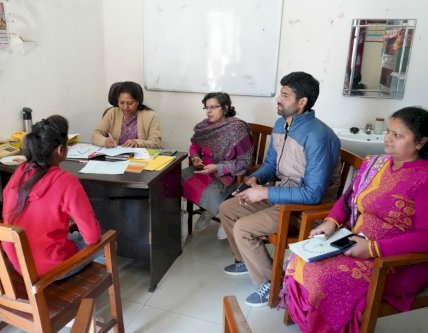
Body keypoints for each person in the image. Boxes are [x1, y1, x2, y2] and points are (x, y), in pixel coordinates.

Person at [282, 107, 428, 333]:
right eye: (388, 132)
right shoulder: (374, 163)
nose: (388, 139)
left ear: (420, 142)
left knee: (324, 279)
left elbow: (425, 237)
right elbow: (348, 199)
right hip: (355, 241)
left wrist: (372, 249)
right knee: (302, 260)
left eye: (398, 135)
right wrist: (331, 221)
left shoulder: (424, 177)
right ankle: (309, 324)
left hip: (394, 263)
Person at [219, 71, 341, 307]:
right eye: (280, 93)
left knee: (244, 227)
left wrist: (264, 192)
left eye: (285, 95)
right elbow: (271, 165)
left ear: (302, 101)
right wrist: (253, 180)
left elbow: (313, 194)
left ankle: (274, 284)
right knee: (228, 209)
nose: (278, 98)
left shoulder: (317, 136)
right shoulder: (281, 123)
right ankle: (245, 259)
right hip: (282, 194)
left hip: (306, 208)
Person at [2, 115, 101, 277]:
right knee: (104, 244)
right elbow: (92, 238)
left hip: (20, 263)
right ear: (61, 150)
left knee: (73, 235)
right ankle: (86, 287)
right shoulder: (67, 182)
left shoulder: (20, 172)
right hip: (52, 269)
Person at [183, 92, 253, 240]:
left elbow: (244, 161)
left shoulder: (236, 128)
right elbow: (195, 146)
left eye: (213, 107)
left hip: (227, 173)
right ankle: (209, 210)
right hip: (204, 169)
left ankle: (220, 215)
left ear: (225, 108)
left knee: (210, 192)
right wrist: (195, 158)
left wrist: (218, 167)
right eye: (206, 107)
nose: (209, 111)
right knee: (176, 178)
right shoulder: (204, 127)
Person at [92, 81, 162, 148]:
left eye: (130, 103)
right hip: (116, 156)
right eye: (122, 103)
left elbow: (156, 142)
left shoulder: (150, 116)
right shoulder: (112, 113)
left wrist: (137, 143)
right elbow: (96, 134)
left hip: (141, 158)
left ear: (138, 101)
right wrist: (105, 141)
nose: (125, 107)